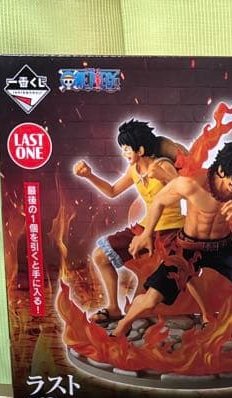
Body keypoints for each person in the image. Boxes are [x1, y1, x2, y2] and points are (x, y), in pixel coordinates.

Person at [114, 141, 232, 339]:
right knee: (152, 298)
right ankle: (122, 325)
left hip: (223, 246)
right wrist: (146, 234)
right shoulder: (192, 182)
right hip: (188, 246)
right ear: (220, 169)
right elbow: (159, 200)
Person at [73, 120, 188, 324]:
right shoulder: (134, 170)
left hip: (171, 229)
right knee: (100, 255)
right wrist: (89, 175)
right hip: (144, 227)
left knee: (182, 272)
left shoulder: (163, 165)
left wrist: (165, 176)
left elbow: (186, 190)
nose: (123, 153)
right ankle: (113, 308)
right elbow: (112, 191)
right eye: (123, 149)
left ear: (140, 150)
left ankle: (203, 313)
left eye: (126, 148)